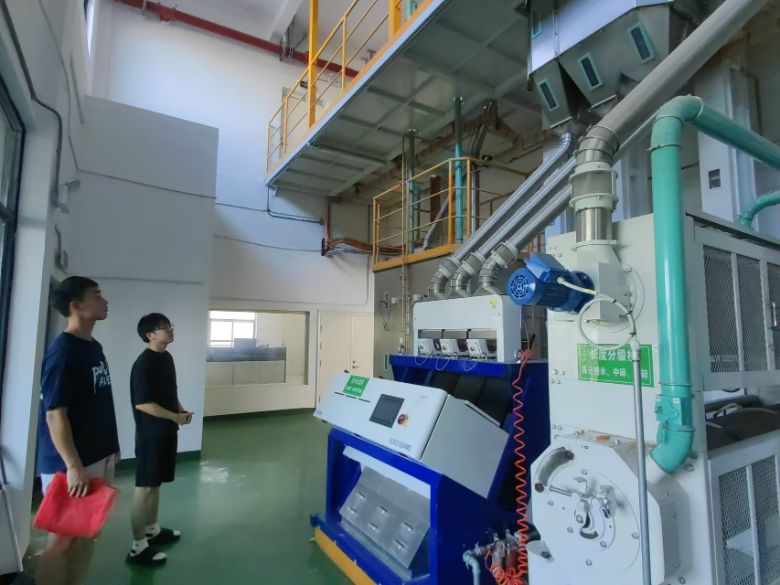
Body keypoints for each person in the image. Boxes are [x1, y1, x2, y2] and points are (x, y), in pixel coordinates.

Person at [36, 277, 120, 585]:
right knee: (60, 542)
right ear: (76, 306)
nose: (104, 300)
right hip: (71, 464)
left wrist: (112, 446)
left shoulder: (92, 347)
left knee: (86, 533)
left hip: (98, 456)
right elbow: (55, 415)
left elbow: (97, 401)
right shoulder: (64, 352)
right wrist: (73, 466)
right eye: (96, 296)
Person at [126, 313, 193, 567]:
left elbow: (169, 392)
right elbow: (143, 404)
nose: (170, 330)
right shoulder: (143, 364)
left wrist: (180, 410)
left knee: (155, 485)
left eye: (170, 326)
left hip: (166, 431)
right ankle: (137, 546)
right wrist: (175, 417)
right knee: (144, 487)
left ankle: (152, 530)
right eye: (165, 327)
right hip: (150, 435)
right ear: (150, 335)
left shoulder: (166, 358)